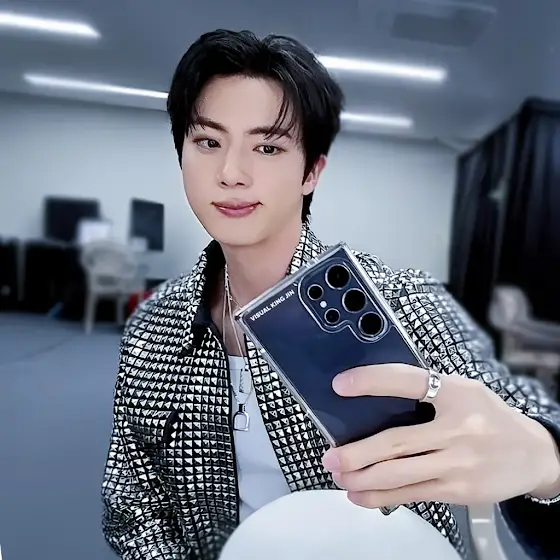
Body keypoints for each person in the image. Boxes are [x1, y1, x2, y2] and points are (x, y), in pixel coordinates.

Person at [101, 29, 560, 560]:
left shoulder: (398, 302)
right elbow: (132, 504)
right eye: (208, 142)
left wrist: (545, 461)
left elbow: (521, 421)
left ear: (311, 172)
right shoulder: (154, 327)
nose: (230, 173)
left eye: (268, 147)